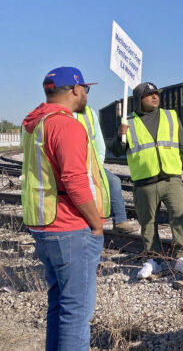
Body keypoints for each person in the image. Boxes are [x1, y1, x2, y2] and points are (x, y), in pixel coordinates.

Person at [21, 67, 110, 350]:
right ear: (74, 89)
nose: (86, 93)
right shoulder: (67, 125)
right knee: (76, 313)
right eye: (85, 88)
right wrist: (96, 224)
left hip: (45, 224)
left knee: (59, 304)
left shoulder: (37, 124)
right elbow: (74, 180)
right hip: (70, 228)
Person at [111, 82, 183, 278]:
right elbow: (117, 152)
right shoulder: (129, 122)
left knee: (179, 217)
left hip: (171, 178)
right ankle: (153, 260)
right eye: (149, 94)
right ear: (139, 99)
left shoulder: (170, 116)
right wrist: (120, 137)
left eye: (156, 94)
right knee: (147, 222)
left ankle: (181, 258)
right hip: (144, 181)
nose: (155, 97)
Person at [75, 105, 139, 233]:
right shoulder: (57, 112)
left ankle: (120, 221)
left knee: (113, 181)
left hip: (90, 163)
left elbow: (98, 140)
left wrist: (97, 163)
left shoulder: (88, 112)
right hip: (71, 165)